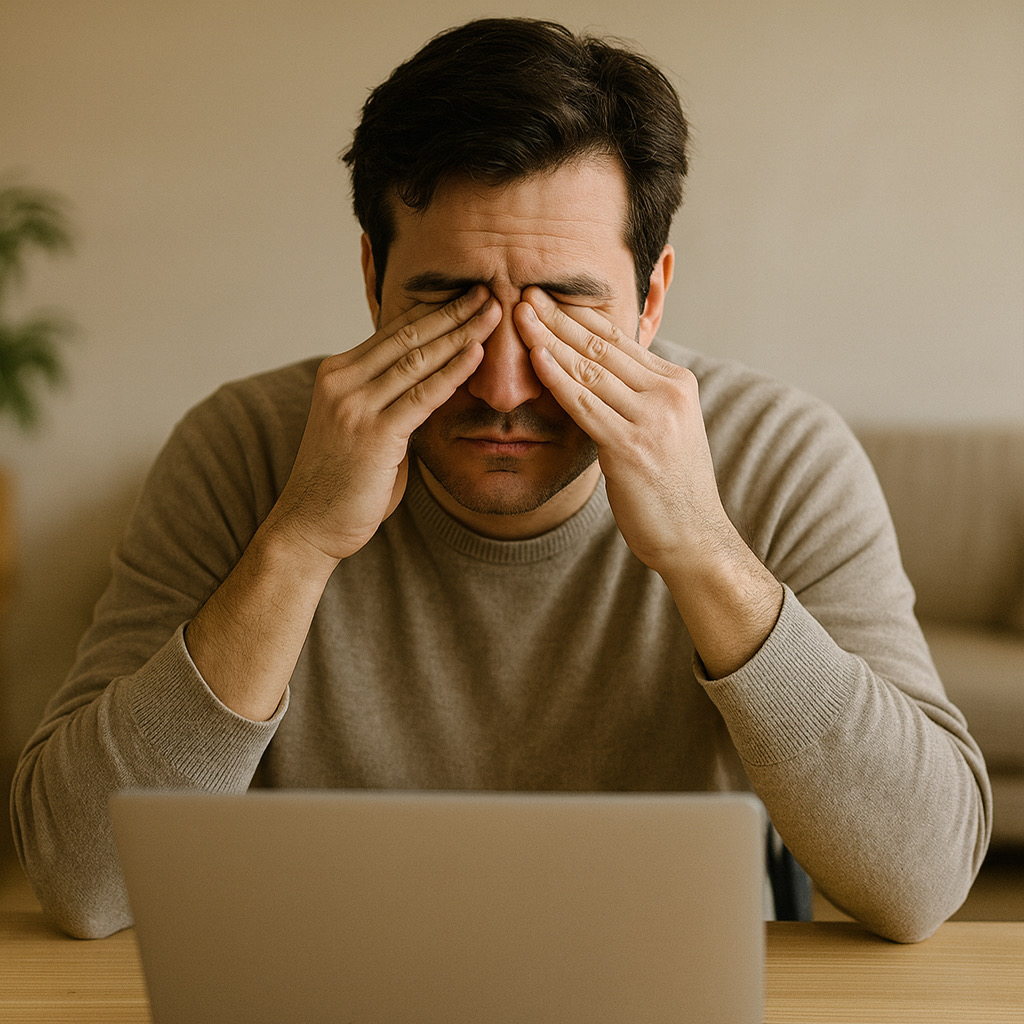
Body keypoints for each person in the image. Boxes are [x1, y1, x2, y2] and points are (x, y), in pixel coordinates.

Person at [11, 17, 990, 942]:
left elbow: (921, 880)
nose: (504, 383)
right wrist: (300, 539)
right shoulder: (242, 449)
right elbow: (83, 877)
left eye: (565, 308)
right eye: (446, 304)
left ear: (649, 298)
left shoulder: (779, 454)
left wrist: (700, 545)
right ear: (372, 282)